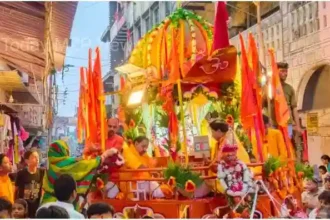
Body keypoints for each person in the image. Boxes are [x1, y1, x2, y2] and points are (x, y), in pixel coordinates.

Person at [41, 140, 118, 205]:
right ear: (64, 151)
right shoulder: (66, 164)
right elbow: (83, 166)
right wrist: (104, 155)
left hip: (46, 202)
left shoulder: (49, 165)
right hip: (61, 204)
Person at [266, 62, 302, 137]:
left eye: (286, 71)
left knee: (289, 143)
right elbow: (262, 106)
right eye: (282, 71)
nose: (285, 73)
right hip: (274, 124)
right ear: (276, 72)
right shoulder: (270, 88)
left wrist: (298, 126)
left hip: (289, 124)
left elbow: (294, 109)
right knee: (278, 146)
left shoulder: (290, 88)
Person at [15, 149, 44, 218]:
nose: (37, 159)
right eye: (34, 157)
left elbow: (42, 189)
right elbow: (16, 190)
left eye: (37, 157)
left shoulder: (42, 172)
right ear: (27, 160)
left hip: (36, 206)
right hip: (24, 207)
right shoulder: (21, 173)